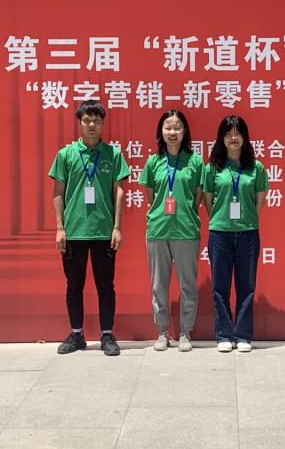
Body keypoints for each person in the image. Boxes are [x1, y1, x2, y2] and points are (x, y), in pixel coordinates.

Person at [49, 100, 130, 356]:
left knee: (106, 286)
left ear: (103, 124)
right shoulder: (66, 155)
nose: (92, 125)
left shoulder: (113, 155)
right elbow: (58, 192)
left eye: (96, 120)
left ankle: (107, 335)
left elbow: (119, 191)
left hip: (104, 232)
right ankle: (77, 334)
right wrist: (60, 228)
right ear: (80, 123)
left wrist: (117, 227)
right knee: (74, 286)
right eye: (87, 120)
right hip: (74, 232)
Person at [139, 109, 205, 351]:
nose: (172, 132)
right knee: (159, 285)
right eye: (168, 127)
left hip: (186, 230)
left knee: (188, 285)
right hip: (158, 230)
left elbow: (198, 195)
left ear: (185, 131)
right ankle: (162, 332)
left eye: (177, 127)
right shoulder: (153, 162)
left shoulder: (195, 161)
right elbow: (151, 196)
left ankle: (186, 332)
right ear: (161, 131)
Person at [203, 115, 268, 353]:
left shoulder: (256, 167)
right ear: (221, 138)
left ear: (245, 137)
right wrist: (221, 219)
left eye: (238, 133)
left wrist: (246, 219)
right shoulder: (212, 168)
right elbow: (208, 200)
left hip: (248, 232)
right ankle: (223, 335)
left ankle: (242, 335)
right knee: (219, 287)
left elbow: (259, 201)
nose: (233, 138)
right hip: (220, 233)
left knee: (246, 287)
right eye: (228, 133)